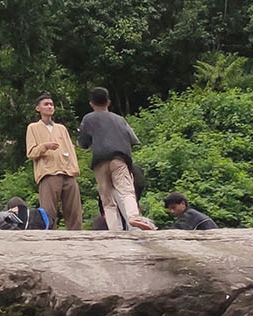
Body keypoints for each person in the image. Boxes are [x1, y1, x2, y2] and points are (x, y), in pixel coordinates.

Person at [77, 87, 156, 231]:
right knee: (126, 190)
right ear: (108, 102)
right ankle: (133, 217)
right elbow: (133, 139)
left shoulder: (88, 118)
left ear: (91, 104)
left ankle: (114, 230)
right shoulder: (119, 119)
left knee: (106, 198)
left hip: (100, 160)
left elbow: (83, 143)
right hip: (119, 158)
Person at [25, 93, 86, 230]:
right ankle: (50, 240)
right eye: (46, 104)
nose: (49, 107)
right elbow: (31, 153)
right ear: (38, 108)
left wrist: (74, 169)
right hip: (48, 173)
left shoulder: (61, 128)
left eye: (51, 104)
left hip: (68, 172)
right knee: (48, 212)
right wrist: (44, 146)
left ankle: (77, 240)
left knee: (74, 212)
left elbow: (70, 150)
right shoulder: (33, 128)